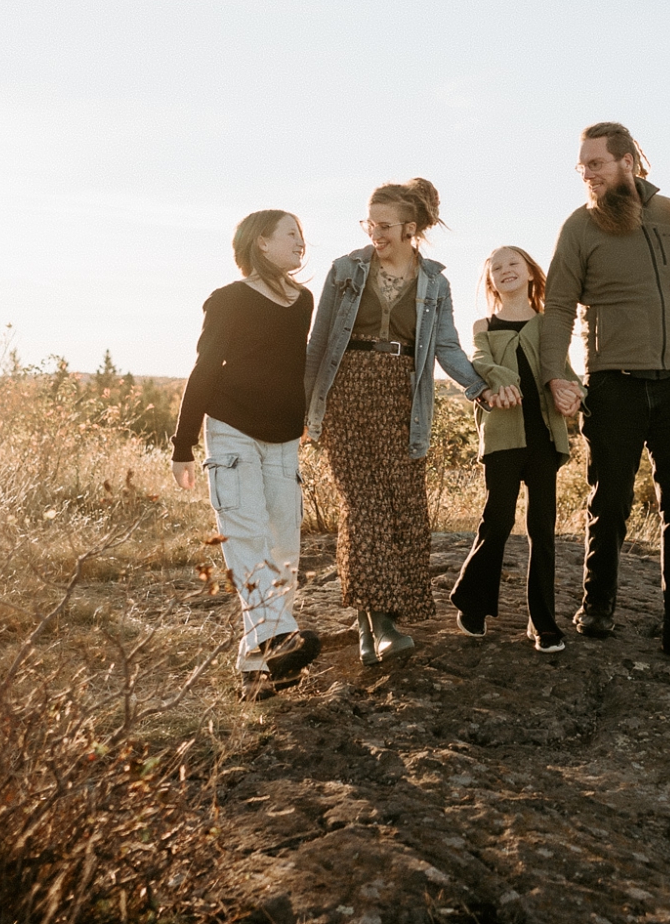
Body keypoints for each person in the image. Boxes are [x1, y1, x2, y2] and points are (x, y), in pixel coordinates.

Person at [539, 122, 670, 671]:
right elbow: (557, 305)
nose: (589, 175)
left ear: (628, 161)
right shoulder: (580, 227)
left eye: (597, 164)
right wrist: (558, 372)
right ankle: (597, 604)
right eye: (583, 167)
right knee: (609, 500)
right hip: (613, 380)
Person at [304, 179, 488, 665]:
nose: (374, 233)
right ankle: (383, 624)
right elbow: (319, 343)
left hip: (403, 400)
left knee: (401, 508)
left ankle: (369, 626)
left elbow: (446, 347)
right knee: (363, 506)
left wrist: (479, 386)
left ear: (410, 228)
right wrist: (304, 410)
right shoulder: (345, 271)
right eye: (369, 223)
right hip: (347, 394)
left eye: (383, 225)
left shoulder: (435, 282)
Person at [171, 210, 321, 702]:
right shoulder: (229, 300)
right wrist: (183, 443)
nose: (302, 242)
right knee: (246, 536)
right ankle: (279, 637)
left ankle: (257, 665)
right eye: (291, 234)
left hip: (283, 437)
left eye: (302, 234)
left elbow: (296, 364)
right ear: (261, 243)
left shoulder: (303, 301)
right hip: (232, 430)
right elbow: (207, 365)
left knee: (283, 549)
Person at [450, 246, 579, 654]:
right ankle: (472, 603)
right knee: (498, 520)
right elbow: (478, 361)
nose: (506, 271)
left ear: (529, 274)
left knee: (543, 530)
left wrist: (575, 394)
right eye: (497, 268)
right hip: (503, 438)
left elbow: (569, 375)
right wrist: (500, 382)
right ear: (490, 281)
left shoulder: (548, 325)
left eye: (513, 264)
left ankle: (543, 623)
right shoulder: (482, 325)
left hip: (544, 438)